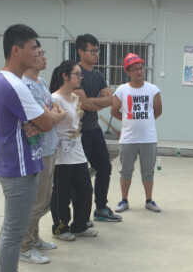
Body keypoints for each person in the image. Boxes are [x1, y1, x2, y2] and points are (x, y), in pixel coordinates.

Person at [0, 25, 64, 272]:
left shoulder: (16, 83)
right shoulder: (15, 85)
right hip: (18, 168)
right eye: (33, 48)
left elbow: (44, 120)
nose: (37, 53)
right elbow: (46, 122)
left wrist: (43, 119)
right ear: (16, 50)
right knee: (13, 233)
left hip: (24, 163)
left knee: (15, 229)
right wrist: (45, 118)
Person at [19, 40, 64, 264]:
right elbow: (48, 118)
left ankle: (35, 238)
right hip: (38, 151)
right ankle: (25, 247)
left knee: (45, 200)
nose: (44, 57)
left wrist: (53, 114)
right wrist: (53, 115)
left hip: (50, 148)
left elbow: (55, 112)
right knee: (36, 202)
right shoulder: (26, 86)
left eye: (43, 52)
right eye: (38, 54)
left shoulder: (42, 82)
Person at [74, 34, 121, 222]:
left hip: (95, 129)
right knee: (80, 175)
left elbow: (111, 100)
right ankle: (80, 217)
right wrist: (97, 102)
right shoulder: (76, 73)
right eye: (92, 51)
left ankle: (101, 208)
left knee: (105, 167)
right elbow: (83, 104)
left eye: (97, 51)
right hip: (79, 131)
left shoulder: (98, 75)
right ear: (80, 51)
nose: (96, 54)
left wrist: (93, 103)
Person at [49, 60, 98, 238]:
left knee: (85, 189)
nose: (80, 78)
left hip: (77, 148)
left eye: (80, 75)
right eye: (77, 74)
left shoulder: (75, 98)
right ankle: (60, 227)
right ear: (65, 76)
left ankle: (80, 225)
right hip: (61, 150)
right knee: (62, 192)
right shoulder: (55, 99)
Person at [110, 53, 163, 213]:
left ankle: (149, 200)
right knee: (126, 171)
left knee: (148, 171)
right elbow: (114, 111)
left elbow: (158, 110)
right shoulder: (122, 90)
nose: (139, 72)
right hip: (128, 138)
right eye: (135, 69)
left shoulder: (153, 89)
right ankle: (124, 200)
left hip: (148, 138)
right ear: (127, 71)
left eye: (141, 68)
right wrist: (128, 121)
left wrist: (146, 122)